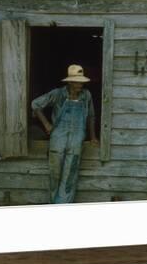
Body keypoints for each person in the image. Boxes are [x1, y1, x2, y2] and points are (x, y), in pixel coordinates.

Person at [31, 64, 99, 204]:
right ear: (69, 82)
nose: (80, 84)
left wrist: (93, 137)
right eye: (77, 82)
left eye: (81, 82)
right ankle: (54, 204)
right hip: (58, 140)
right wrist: (46, 124)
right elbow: (35, 105)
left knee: (70, 176)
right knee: (55, 174)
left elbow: (91, 116)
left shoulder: (86, 95)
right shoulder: (58, 94)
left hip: (76, 141)